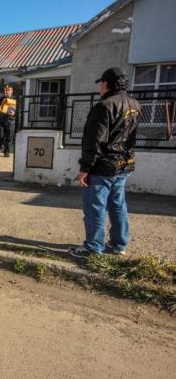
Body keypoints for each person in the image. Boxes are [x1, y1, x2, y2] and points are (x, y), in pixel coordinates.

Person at [69, 67, 140, 258]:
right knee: (118, 204)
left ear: (106, 84)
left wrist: (85, 168)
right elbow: (131, 138)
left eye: (100, 82)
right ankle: (118, 244)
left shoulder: (105, 106)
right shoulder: (134, 104)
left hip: (103, 166)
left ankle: (93, 248)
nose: (99, 86)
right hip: (124, 163)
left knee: (95, 207)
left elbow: (94, 141)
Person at [0, 84, 17, 157]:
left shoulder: (16, 99)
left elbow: (20, 110)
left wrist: (14, 113)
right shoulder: (0, 99)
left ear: (12, 91)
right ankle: (0, 148)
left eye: (9, 90)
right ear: (4, 91)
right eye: (6, 90)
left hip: (11, 121)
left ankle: (7, 151)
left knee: (9, 137)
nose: (7, 92)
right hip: (1, 120)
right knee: (0, 136)